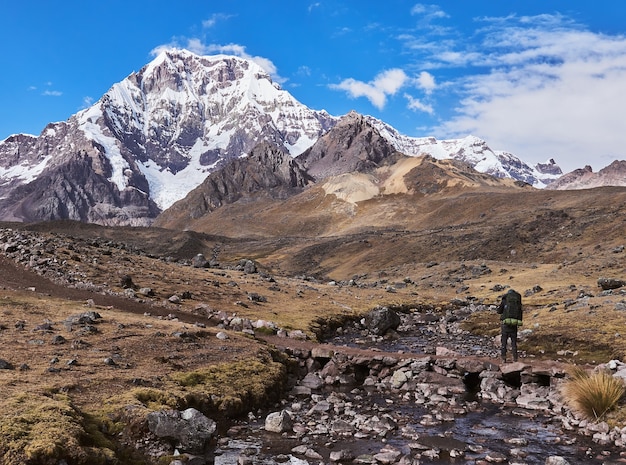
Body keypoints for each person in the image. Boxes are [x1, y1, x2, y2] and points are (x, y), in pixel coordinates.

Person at [497, 289, 523, 363]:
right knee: (514, 342)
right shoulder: (517, 302)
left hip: (505, 324)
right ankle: (515, 359)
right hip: (514, 325)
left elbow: (499, 311)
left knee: (504, 342)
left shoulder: (505, 300)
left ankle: (503, 358)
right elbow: (520, 313)